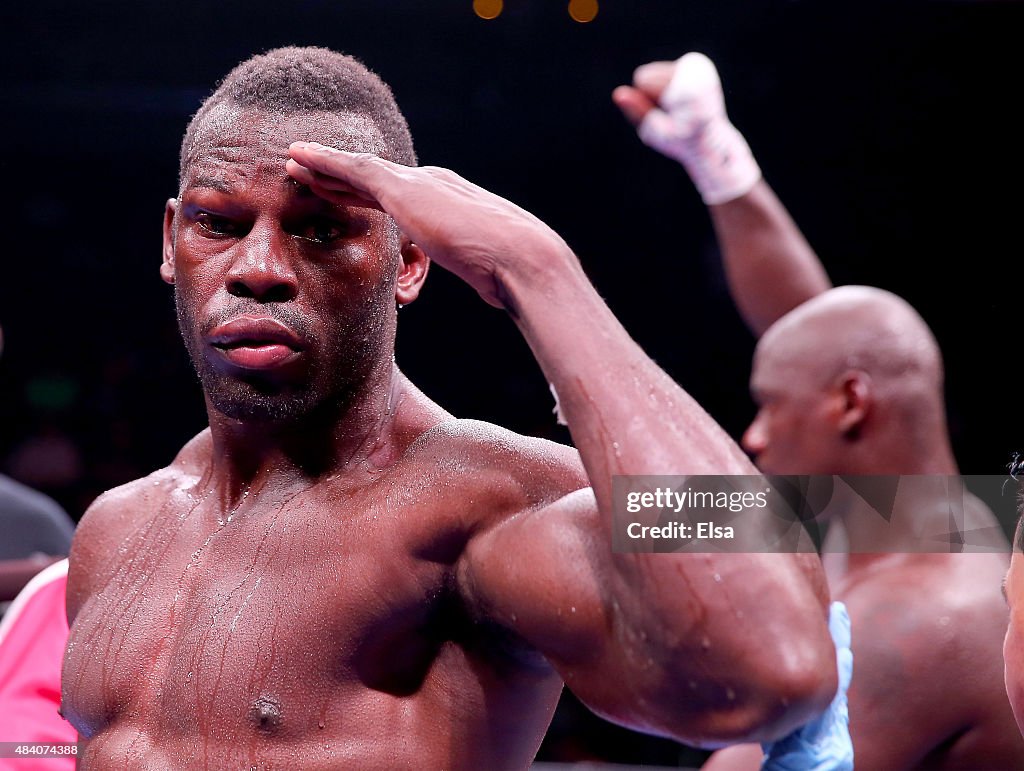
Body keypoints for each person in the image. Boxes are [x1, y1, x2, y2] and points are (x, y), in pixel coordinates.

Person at [61, 47, 846, 768]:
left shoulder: (491, 506)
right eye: (220, 225)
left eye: (322, 230)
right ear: (171, 241)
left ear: (408, 261)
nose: (259, 268)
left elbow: (772, 668)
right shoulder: (115, 528)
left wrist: (536, 271)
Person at [614, 52, 1024, 768]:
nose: (754, 434)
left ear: (851, 406)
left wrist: (540, 278)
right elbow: (819, 336)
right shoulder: (889, 514)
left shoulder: (927, 616)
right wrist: (720, 162)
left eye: (769, 407)